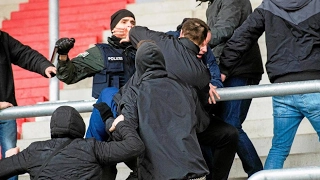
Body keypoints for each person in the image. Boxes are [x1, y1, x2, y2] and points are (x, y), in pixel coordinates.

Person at [112, 18, 238, 180]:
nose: (205, 49)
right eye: (203, 44)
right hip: (170, 128)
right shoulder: (199, 73)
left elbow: (136, 31)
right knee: (228, 134)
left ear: (182, 33)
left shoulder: (159, 40)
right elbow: (200, 118)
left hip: (140, 122)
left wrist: (128, 32)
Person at [219, 0, 320, 170]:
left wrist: (224, 68)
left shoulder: (268, 5)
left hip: (282, 88)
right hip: (314, 86)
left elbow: (242, 36)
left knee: (279, 149)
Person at [108, 40, 210, 179]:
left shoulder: (134, 92)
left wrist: (110, 122)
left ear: (139, 64)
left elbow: (127, 135)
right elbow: (201, 124)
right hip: (193, 170)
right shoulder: (185, 87)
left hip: (159, 174)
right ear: (162, 61)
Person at [196, 0, 265, 177]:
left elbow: (225, 29)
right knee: (211, 127)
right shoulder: (213, 3)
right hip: (224, 68)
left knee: (231, 124)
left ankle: (257, 173)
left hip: (240, 68)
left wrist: (195, 41)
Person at [0, 106, 144, 179]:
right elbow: (135, 146)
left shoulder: (33, 151)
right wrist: (119, 124)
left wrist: (9, 157)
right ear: (79, 126)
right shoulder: (93, 147)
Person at [0, 30, 56, 180]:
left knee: (11, 161)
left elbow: (24, 54)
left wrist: (44, 66)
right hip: (4, 110)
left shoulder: (2, 38)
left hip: (6, 114)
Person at [55, 9, 137, 99]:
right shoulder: (100, 53)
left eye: (133, 23)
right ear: (113, 28)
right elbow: (69, 76)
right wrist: (63, 54)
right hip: (112, 110)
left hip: (141, 109)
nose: (130, 25)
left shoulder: (143, 50)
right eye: (124, 22)